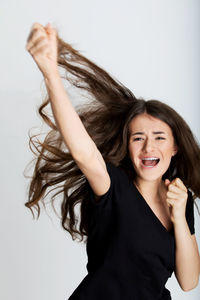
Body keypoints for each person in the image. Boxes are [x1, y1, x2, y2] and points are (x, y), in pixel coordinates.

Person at [25, 22, 200, 299]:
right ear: (128, 146)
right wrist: (51, 76)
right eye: (138, 138)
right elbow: (84, 152)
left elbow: (189, 282)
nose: (148, 147)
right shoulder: (113, 186)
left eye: (159, 137)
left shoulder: (180, 198)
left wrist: (179, 216)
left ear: (176, 146)